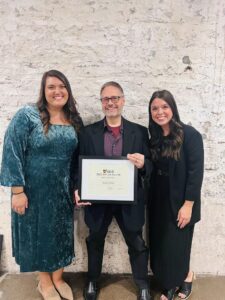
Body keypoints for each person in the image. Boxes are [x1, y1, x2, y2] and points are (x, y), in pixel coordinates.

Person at [0, 70, 83, 300]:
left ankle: (57, 278)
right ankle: (44, 282)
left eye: (62, 86)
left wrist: (78, 187)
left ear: (68, 90)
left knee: (60, 235)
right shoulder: (28, 115)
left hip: (62, 191)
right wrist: (17, 191)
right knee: (39, 235)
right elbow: (12, 151)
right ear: (43, 91)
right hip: (33, 192)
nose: (57, 91)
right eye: (51, 87)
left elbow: (79, 159)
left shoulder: (74, 120)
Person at [75, 81, 152, 300]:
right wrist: (78, 188)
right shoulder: (87, 133)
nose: (111, 102)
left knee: (136, 242)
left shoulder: (140, 132)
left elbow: (151, 166)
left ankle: (143, 283)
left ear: (123, 100)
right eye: (106, 99)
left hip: (130, 200)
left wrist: (144, 164)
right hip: (97, 201)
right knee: (95, 240)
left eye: (115, 98)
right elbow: (78, 166)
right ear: (101, 103)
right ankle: (92, 280)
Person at [148, 90, 204, 300]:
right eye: (155, 108)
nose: (160, 112)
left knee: (177, 244)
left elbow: (195, 172)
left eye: (164, 107)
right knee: (162, 244)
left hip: (181, 200)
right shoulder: (154, 137)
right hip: (159, 200)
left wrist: (188, 204)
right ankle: (173, 279)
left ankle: (181, 279)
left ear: (173, 108)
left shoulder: (190, 135)